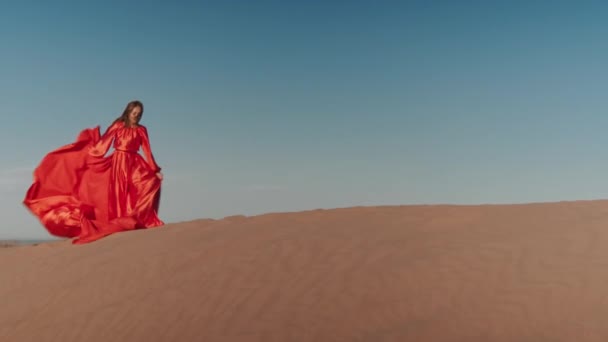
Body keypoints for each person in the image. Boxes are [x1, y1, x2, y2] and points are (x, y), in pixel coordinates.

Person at [23, 100, 164, 244]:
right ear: (128, 111)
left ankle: (136, 220)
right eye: (134, 113)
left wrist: (155, 170)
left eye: (139, 114)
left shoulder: (142, 129)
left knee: (149, 183)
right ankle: (121, 224)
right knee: (119, 195)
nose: (136, 116)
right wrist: (90, 151)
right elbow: (104, 143)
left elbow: (147, 150)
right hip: (119, 163)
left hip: (135, 163)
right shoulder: (118, 125)